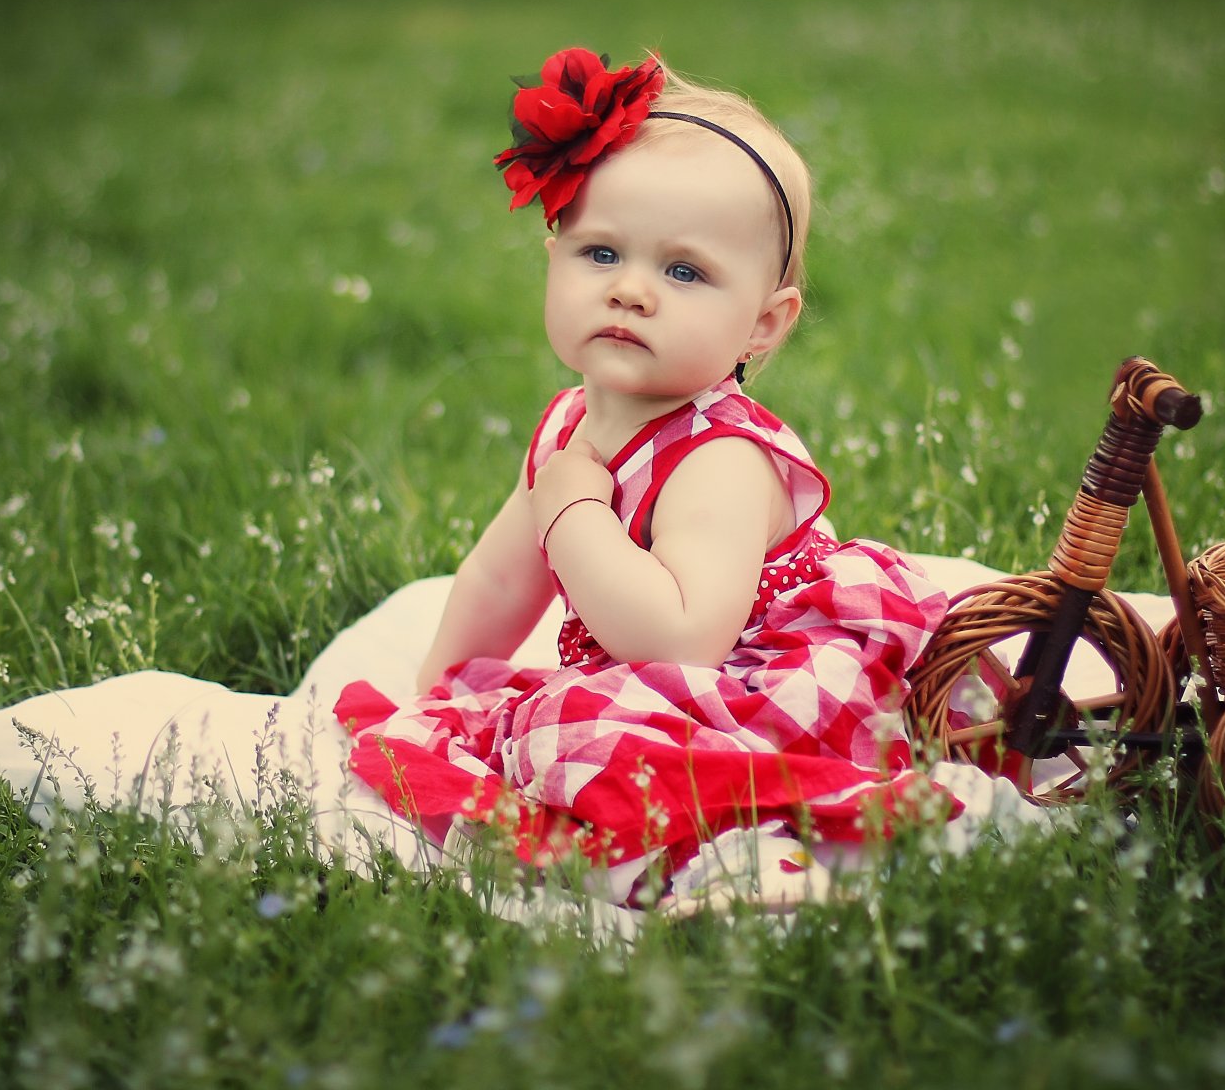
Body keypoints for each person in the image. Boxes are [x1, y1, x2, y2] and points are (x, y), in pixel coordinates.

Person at [332, 48, 957, 901]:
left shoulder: (722, 458)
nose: (631, 291)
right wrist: (434, 696)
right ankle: (651, 826)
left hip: (754, 678)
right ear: (551, 255)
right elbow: (501, 577)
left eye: (684, 271)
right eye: (600, 254)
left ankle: (733, 853)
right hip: (651, 674)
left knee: (575, 726)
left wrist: (578, 511)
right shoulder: (569, 424)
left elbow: (684, 641)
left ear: (763, 325)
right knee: (528, 719)